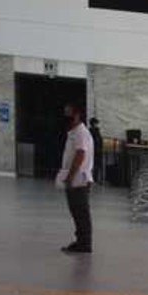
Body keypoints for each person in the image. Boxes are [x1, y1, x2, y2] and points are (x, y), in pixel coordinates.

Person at [58, 102, 94, 254]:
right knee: (77, 212)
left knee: (81, 212)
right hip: (75, 179)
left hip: (78, 179)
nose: (66, 116)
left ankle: (85, 244)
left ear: (77, 114)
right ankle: (81, 241)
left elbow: (80, 154)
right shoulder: (74, 132)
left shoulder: (80, 132)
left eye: (69, 112)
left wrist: (70, 177)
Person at [87, 116, 104, 183]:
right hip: (94, 149)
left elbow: (99, 140)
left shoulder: (96, 131)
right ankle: (94, 178)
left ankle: (97, 178)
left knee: (98, 164)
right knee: (94, 164)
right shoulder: (91, 131)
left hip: (97, 149)